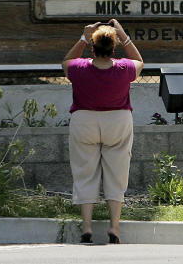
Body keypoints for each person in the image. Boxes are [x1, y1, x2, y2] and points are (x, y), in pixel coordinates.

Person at [62, 18, 143, 244]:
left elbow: (67, 60)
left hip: (84, 120)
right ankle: (114, 228)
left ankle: (87, 227)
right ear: (113, 47)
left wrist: (83, 37)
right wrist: (124, 35)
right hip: (117, 120)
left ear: (92, 47)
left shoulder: (78, 68)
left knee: (84, 173)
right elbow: (139, 60)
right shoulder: (125, 68)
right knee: (117, 173)